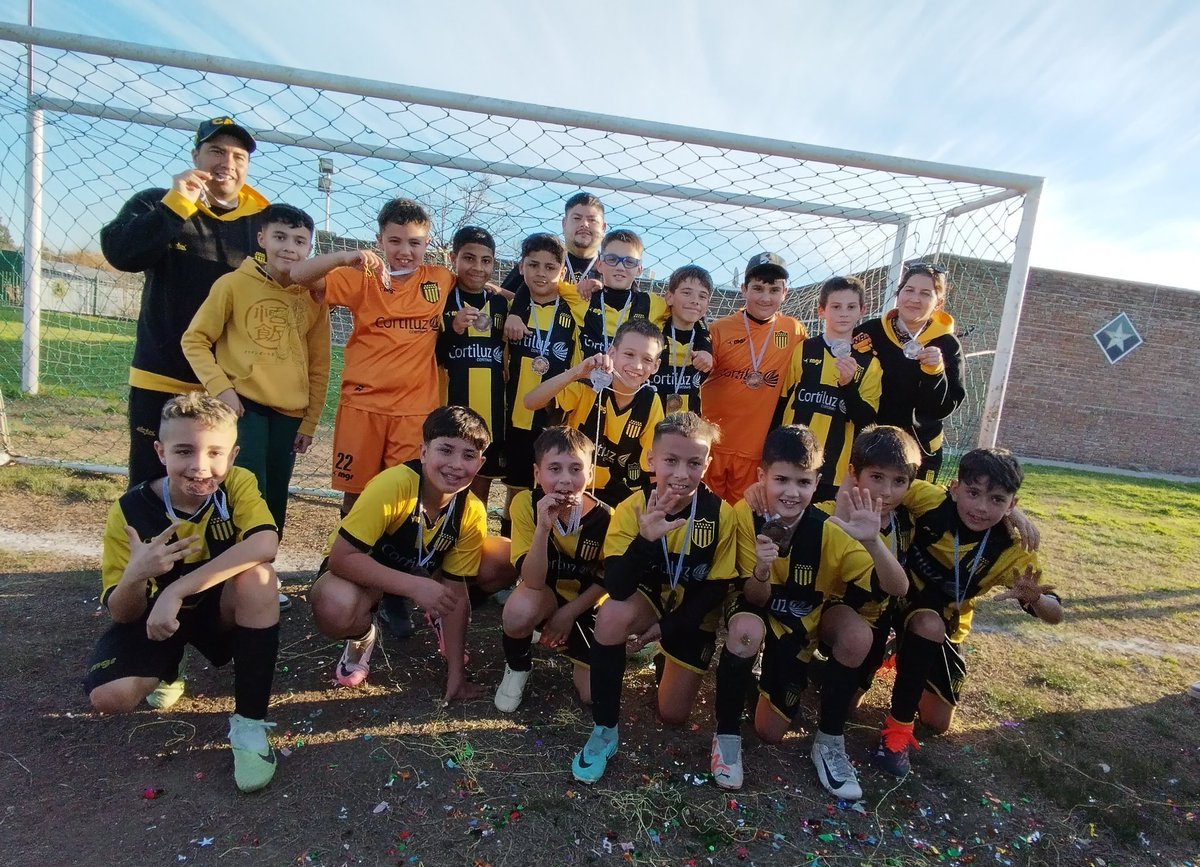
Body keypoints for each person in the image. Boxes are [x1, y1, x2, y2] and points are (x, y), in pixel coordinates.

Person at [83, 393, 281, 793]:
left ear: (233, 455)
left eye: (215, 452)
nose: (199, 466)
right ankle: (169, 667)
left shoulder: (239, 484)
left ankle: (249, 726)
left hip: (213, 611)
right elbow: (122, 613)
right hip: (156, 620)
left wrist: (176, 588)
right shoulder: (130, 512)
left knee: (260, 579)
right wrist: (136, 575)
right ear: (160, 452)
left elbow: (265, 544)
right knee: (110, 698)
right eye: (184, 450)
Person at [710, 425, 908, 798]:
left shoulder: (828, 528)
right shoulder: (744, 514)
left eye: (802, 482)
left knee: (772, 730)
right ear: (762, 477)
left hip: (801, 621)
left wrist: (873, 542)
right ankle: (727, 737)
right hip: (755, 606)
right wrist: (763, 568)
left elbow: (898, 589)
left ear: (816, 483)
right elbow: (754, 597)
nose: (790, 491)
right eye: (780, 479)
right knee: (745, 631)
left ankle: (829, 741)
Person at [872, 447, 1062, 777]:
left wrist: (1035, 600)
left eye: (997, 500)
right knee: (924, 626)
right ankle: (898, 730)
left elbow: (1056, 614)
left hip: (946, 621)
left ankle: (906, 657)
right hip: (892, 601)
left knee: (936, 722)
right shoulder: (928, 500)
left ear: (1012, 504)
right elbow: (881, 489)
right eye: (973, 493)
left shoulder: (1010, 551)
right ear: (955, 488)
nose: (981, 507)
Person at [101, 117, 268, 488]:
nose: (228, 162)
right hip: (161, 374)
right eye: (216, 151)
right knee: (152, 484)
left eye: (239, 156)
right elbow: (121, 254)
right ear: (196, 155)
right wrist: (174, 207)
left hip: (229, 386)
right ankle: (146, 548)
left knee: (216, 488)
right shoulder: (156, 202)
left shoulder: (263, 222)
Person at [571, 413, 738, 784]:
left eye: (694, 462)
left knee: (673, 715)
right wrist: (645, 540)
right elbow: (616, 586)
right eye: (671, 461)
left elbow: (715, 589)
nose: (682, 472)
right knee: (612, 616)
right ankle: (605, 731)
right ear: (651, 460)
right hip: (647, 599)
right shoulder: (631, 508)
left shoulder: (722, 515)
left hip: (691, 612)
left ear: (708, 463)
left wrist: (667, 628)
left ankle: (667, 656)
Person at [308, 406, 491, 704]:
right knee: (334, 606)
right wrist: (415, 586)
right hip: (366, 577)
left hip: (420, 574)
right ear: (423, 452)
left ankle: (435, 618)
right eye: (445, 450)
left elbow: (457, 597)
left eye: (468, 456)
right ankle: (362, 635)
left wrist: (456, 676)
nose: (456, 465)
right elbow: (342, 558)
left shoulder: (472, 511)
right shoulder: (394, 484)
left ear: (480, 464)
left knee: (500, 556)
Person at [289, 198, 455, 514]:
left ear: (427, 244)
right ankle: (341, 560)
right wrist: (344, 257)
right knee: (355, 497)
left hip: (413, 410)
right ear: (379, 241)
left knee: (405, 495)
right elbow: (299, 274)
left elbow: (479, 285)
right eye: (394, 241)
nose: (405, 250)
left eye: (414, 242)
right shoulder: (361, 276)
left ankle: (391, 558)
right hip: (362, 406)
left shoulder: (440, 278)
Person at [181, 203, 331, 534]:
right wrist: (223, 390)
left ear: (310, 248)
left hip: (289, 416)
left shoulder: (314, 298)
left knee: (275, 497)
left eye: (299, 241)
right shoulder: (233, 285)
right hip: (243, 410)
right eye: (280, 237)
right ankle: (223, 567)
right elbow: (195, 341)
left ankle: (262, 570)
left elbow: (320, 365)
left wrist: (310, 421)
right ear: (262, 238)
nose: (289, 248)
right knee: (240, 489)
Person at [495, 426, 612, 712]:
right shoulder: (525, 504)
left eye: (575, 469)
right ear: (537, 474)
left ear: (591, 474)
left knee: (592, 696)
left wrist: (568, 615)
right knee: (518, 609)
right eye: (554, 469)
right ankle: (518, 666)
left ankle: (563, 635)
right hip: (544, 595)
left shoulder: (607, 517)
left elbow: (608, 580)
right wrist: (543, 529)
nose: (565, 480)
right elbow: (533, 581)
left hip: (587, 604)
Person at [524, 319, 665, 508]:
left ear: (656, 366)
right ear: (612, 353)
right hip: (568, 487)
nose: (637, 365)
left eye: (647, 359)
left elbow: (654, 464)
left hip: (615, 494)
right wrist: (575, 373)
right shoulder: (588, 384)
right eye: (629, 354)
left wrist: (659, 507)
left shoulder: (650, 402)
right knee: (521, 503)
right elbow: (530, 402)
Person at [702, 253, 807, 504]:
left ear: (785, 293)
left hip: (754, 450)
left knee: (743, 514)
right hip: (711, 443)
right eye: (757, 289)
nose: (765, 298)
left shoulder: (793, 331)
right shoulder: (720, 328)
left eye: (774, 290)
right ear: (743, 289)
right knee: (706, 512)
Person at [852, 262, 965, 482]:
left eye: (925, 293)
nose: (914, 298)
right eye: (909, 290)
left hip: (918, 450)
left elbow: (942, 408)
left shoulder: (947, 344)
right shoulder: (870, 332)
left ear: (938, 303)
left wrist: (935, 373)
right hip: (867, 445)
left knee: (909, 513)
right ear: (898, 293)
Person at [778, 276, 882, 501]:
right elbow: (783, 401)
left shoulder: (869, 363)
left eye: (851, 307)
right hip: (791, 460)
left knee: (822, 531)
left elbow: (867, 422)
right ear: (821, 311)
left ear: (862, 311)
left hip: (834, 470)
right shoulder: (804, 349)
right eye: (836, 307)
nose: (843, 313)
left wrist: (848, 385)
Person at [503, 233, 580, 517]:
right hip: (516, 416)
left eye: (550, 268)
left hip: (555, 416)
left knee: (552, 489)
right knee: (516, 491)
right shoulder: (511, 308)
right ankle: (511, 552)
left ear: (562, 272)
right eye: (533, 265)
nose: (541, 273)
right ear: (521, 267)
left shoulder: (572, 309)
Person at [437, 226, 507, 502]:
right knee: (443, 490)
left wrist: (514, 310)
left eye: (486, 260)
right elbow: (434, 356)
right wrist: (453, 328)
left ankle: (471, 542)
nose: (478, 267)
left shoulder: (501, 304)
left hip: (491, 418)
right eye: (469, 258)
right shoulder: (442, 298)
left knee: (478, 495)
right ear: (454, 257)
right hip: (450, 412)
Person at [502, 192, 607, 298]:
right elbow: (504, 299)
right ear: (564, 224)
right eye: (577, 218)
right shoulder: (538, 260)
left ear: (603, 228)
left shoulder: (612, 268)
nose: (584, 224)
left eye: (592, 220)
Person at [651, 265, 715, 415]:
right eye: (687, 293)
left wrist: (707, 350)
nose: (695, 301)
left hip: (687, 427)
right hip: (650, 421)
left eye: (702, 296)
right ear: (669, 297)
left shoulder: (708, 339)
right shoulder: (653, 333)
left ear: (707, 305)